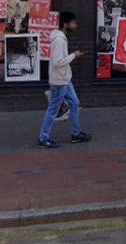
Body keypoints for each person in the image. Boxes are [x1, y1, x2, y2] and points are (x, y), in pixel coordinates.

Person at [37, 12, 92, 148]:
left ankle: (75, 133)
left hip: (65, 80)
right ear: (65, 24)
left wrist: (72, 56)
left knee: (74, 102)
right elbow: (58, 62)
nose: (75, 25)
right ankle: (43, 138)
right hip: (59, 81)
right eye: (73, 23)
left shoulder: (61, 38)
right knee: (53, 110)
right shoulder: (59, 40)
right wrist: (74, 55)